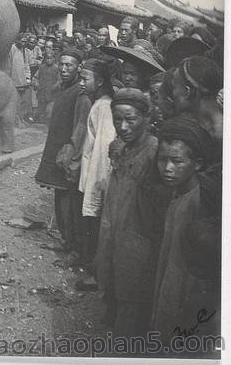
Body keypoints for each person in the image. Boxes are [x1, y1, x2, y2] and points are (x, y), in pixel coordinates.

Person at [151, 115, 218, 350]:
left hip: (186, 295)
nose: (167, 168)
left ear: (197, 163)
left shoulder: (199, 201)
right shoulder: (177, 193)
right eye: (162, 160)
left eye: (177, 161)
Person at [95, 88, 158, 338]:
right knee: (113, 287)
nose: (122, 126)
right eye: (117, 120)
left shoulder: (154, 152)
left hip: (138, 241)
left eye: (130, 120)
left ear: (145, 118)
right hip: (114, 233)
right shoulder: (120, 147)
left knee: (133, 300)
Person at [35, 48, 91, 255]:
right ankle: (65, 238)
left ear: (79, 68)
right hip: (58, 148)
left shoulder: (80, 93)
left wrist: (72, 154)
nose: (65, 69)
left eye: (70, 65)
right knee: (60, 195)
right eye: (62, 64)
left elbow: (80, 126)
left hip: (67, 153)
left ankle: (70, 241)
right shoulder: (65, 88)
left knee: (67, 198)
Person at [76, 59, 116, 289]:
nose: (81, 83)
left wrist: (97, 185)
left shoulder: (104, 107)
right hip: (91, 171)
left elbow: (102, 149)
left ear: (100, 81)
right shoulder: (98, 103)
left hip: (98, 176)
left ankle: (96, 273)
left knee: (96, 223)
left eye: (85, 79)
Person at [7, 35, 33, 126]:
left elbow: (27, 65)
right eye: (22, 41)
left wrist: (28, 77)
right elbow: (8, 65)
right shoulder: (12, 49)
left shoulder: (26, 51)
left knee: (24, 101)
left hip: (23, 81)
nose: (24, 43)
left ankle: (21, 118)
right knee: (16, 102)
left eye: (25, 41)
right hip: (14, 80)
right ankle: (16, 120)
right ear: (17, 40)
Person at [33, 50, 59, 124]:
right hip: (42, 91)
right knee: (41, 107)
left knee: (50, 110)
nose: (49, 60)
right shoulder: (42, 67)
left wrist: (55, 87)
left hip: (52, 92)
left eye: (50, 58)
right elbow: (36, 77)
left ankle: (48, 120)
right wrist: (36, 83)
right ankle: (40, 119)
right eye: (47, 58)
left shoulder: (56, 68)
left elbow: (59, 80)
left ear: (54, 59)